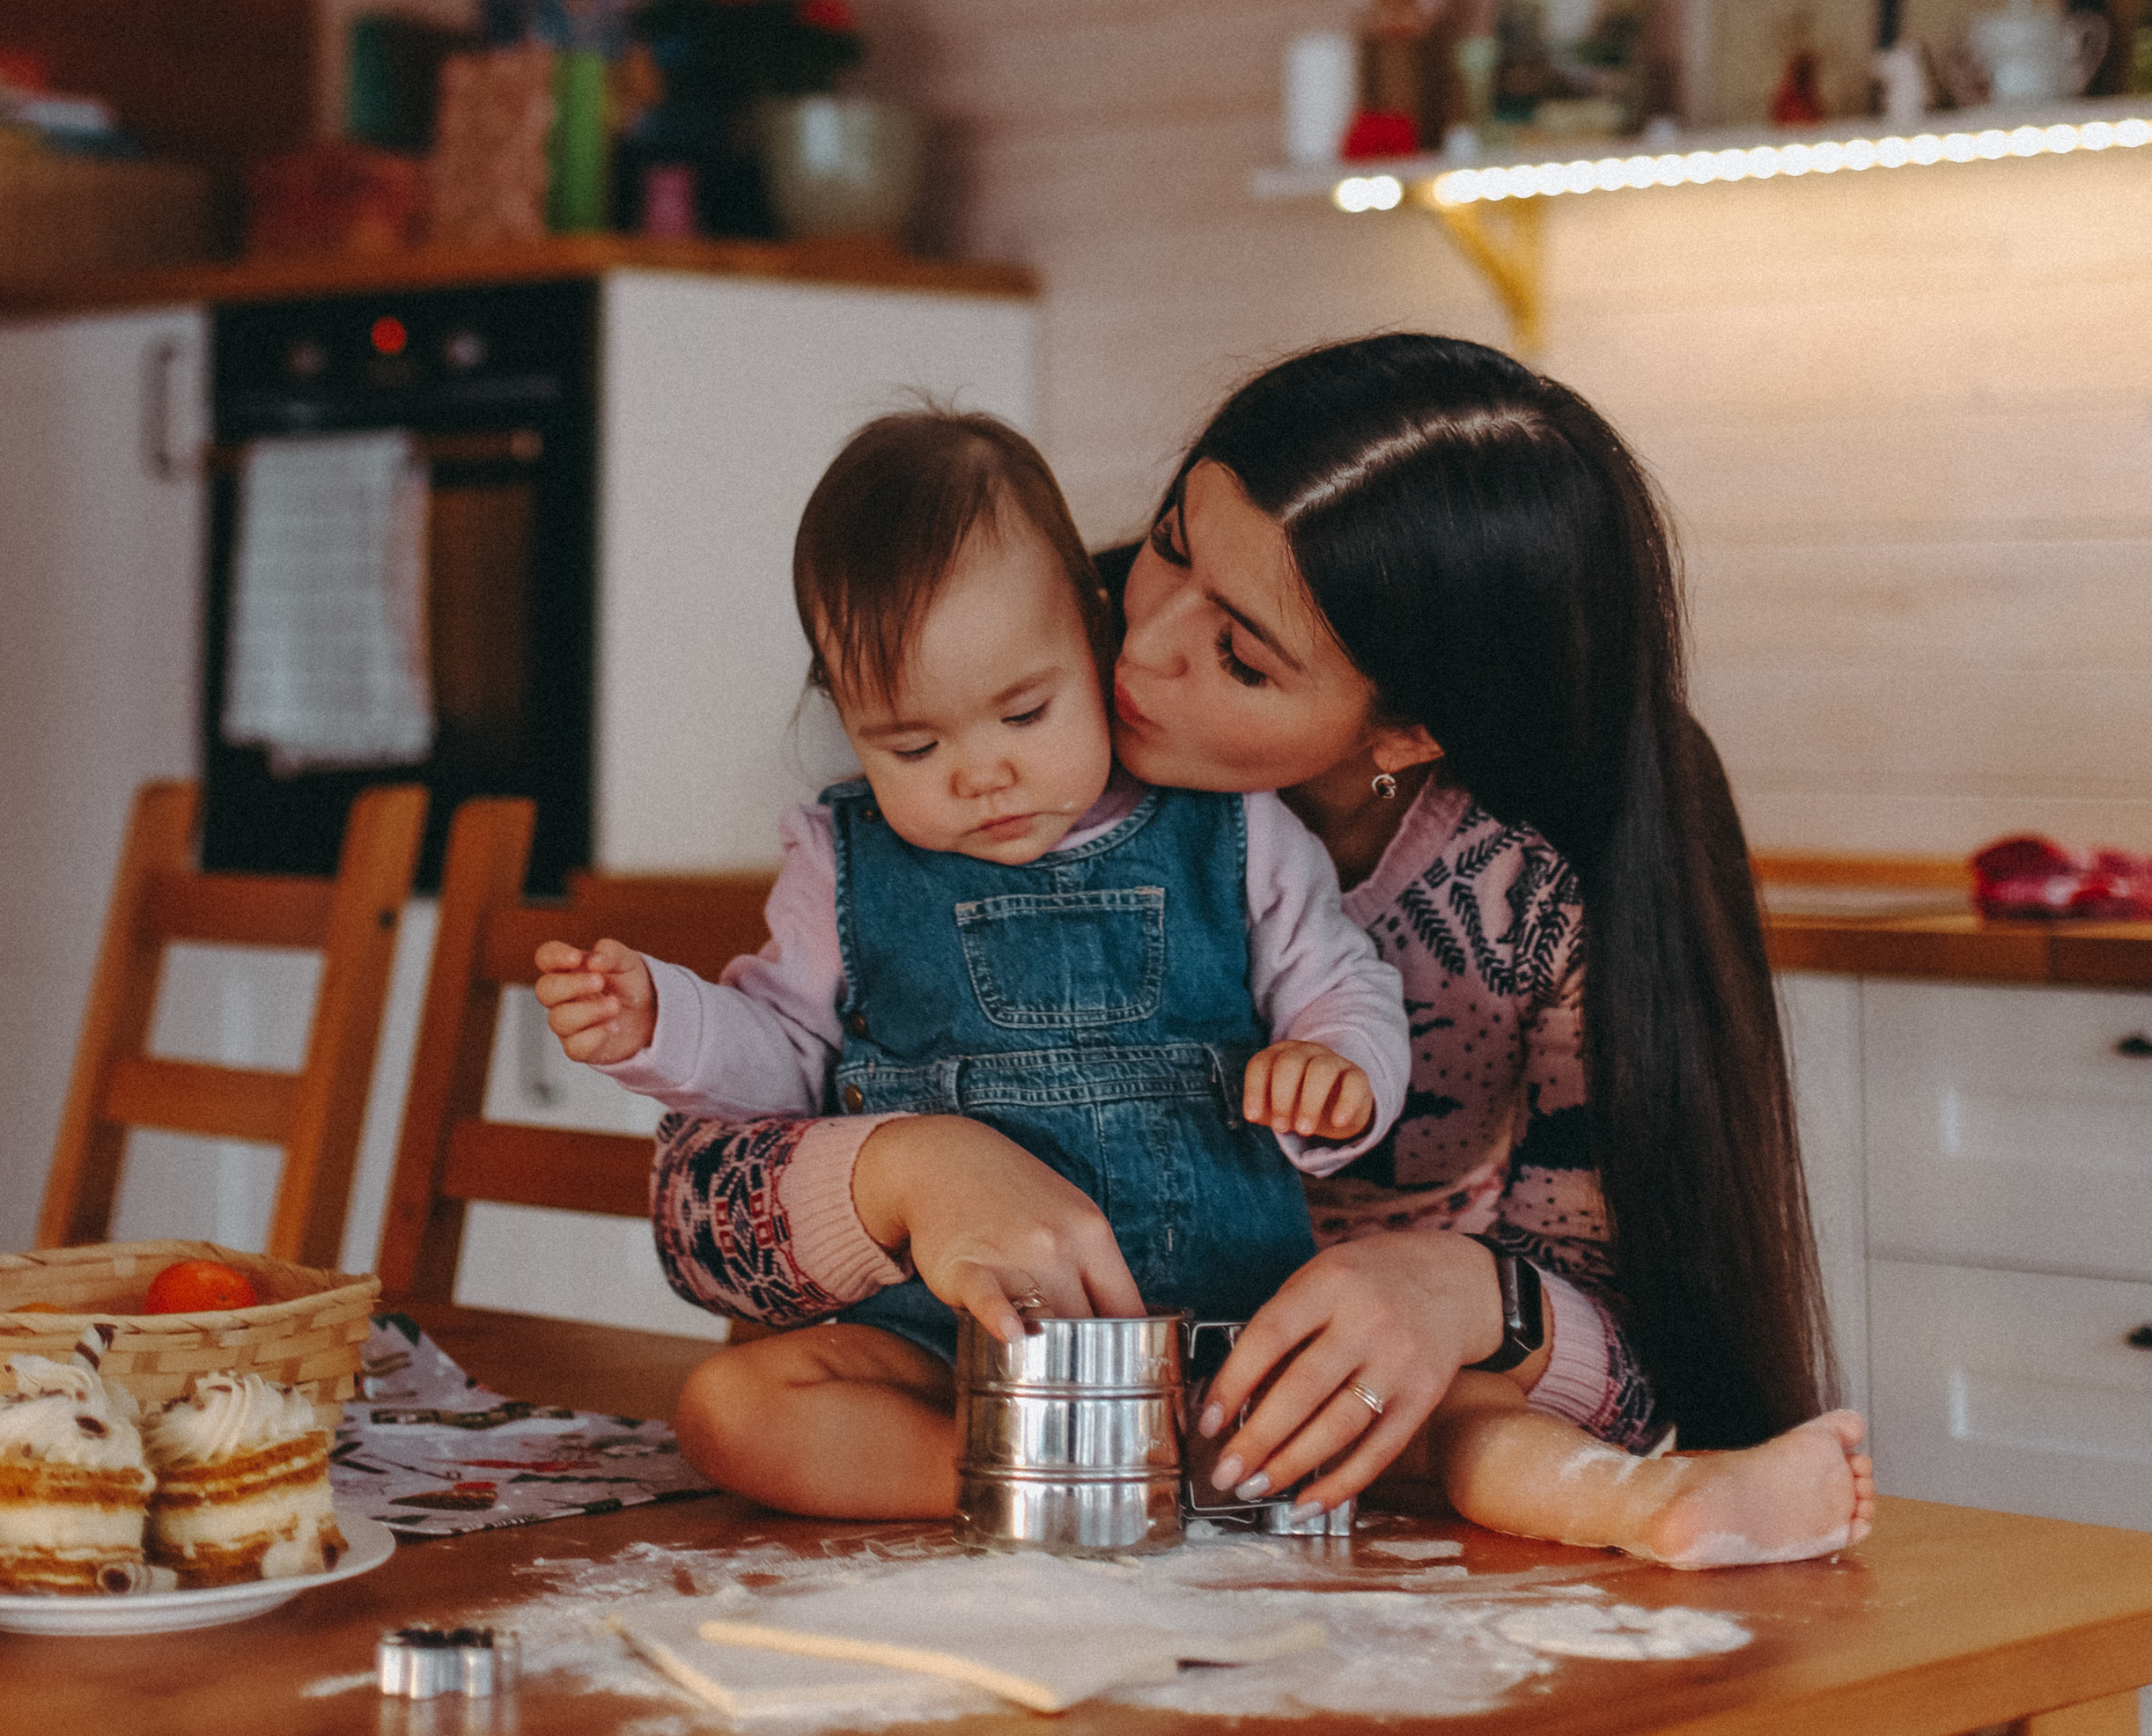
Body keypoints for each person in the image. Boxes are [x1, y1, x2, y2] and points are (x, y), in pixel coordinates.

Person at [646, 336, 1874, 1570]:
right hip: (1028, 1437)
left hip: (1358, 1470)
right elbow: (695, 1216)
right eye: (1173, 541)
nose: (1144, 644)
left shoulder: (1545, 879)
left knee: (1478, 1431)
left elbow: (1656, 1367)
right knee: (754, 1403)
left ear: (1407, 723)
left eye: (1240, 654)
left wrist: (1464, 1299)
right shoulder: (1010, 709)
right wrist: (910, 1174)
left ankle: (1654, 1513)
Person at [535, 408, 1414, 1518]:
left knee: (1371, 1416)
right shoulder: (839, 863)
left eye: (1024, 711)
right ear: (849, 726)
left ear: (1093, 637)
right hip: (941, 1350)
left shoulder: (1232, 831)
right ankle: (1027, 1482)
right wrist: (662, 1017)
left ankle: (1152, 1468)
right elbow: (781, 1064)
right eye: (914, 745)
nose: (981, 774)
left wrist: (1341, 1066)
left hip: (1209, 1341)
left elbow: (1343, 982)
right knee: (729, 1405)